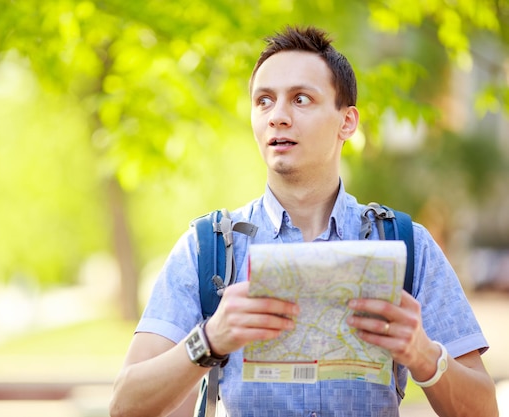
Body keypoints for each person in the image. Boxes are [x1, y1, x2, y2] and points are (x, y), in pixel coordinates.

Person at [109, 25, 498, 417]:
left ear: (347, 122)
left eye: (300, 99)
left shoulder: (406, 245)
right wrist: (209, 340)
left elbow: (484, 411)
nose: (277, 116)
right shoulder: (207, 248)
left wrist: (423, 353)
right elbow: (125, 405)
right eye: (264, 101)